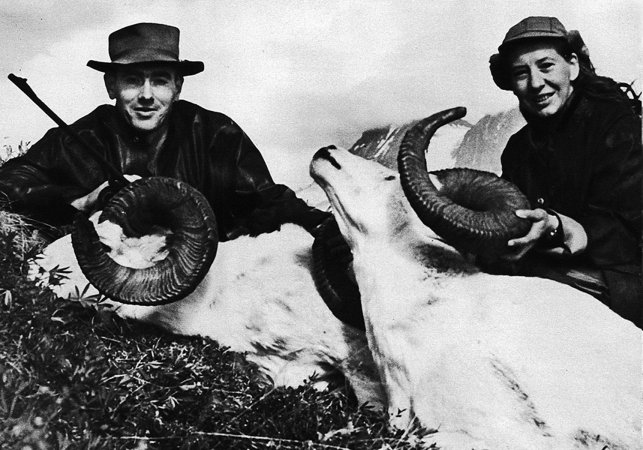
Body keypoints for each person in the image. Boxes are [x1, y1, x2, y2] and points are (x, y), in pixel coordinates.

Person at [0, 23, 329, 241]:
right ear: (111, 85)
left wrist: (330, 232)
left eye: (159, 80)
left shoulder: (217, 135)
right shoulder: (77, 140)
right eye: (132, 80)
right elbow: (8, 184)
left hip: (206, 286)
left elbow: (272, 202)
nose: (146, 95)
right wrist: (84, 199)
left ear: (177, 87)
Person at [488, 16, 641, 326]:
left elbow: (626, 228)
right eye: (521, 73)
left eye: (546, 66)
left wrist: (558, 227)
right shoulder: (518, 149)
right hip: (545, 272)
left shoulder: (616, 122)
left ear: (572, 65)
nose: (535, 83)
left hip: (623, 281)